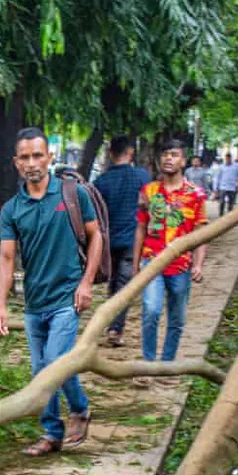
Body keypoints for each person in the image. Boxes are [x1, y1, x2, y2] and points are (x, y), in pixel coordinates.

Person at [0, 127, 103, 456]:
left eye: (37, 155)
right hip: (33, 302)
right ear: (16, 163)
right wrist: (1, 305)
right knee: (39, 370)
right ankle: (51, 433)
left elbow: (96, 236)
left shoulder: (72, 195)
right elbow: (6, 257)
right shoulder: (12, 209)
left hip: (66, 298)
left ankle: (80, 409)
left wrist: (86, 283)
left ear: (49, 157)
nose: (32, 163)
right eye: (25, 157)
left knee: (55, 362)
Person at [132, 139, 208, 383]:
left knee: (176, 319)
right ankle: (147, 366)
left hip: (181, 266)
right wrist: (135, 265)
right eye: (165, 154)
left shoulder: (195, 195)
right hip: (151, 261)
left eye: (174, 154)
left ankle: (166, 367)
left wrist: (198, 264)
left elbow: (200, 234)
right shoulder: (149, 191)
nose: (168, 159)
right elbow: (141, 228)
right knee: (151, 311)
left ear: (183, 161)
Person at [91, 135, 150, 347]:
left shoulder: (101, 182)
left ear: (110, 154)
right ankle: (115, 329)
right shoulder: (142, 177)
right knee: (122, 285)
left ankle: (111, 322)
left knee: (115, 282)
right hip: (131, 240)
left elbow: (96, 214)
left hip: (108, 241)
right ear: (131, 152)